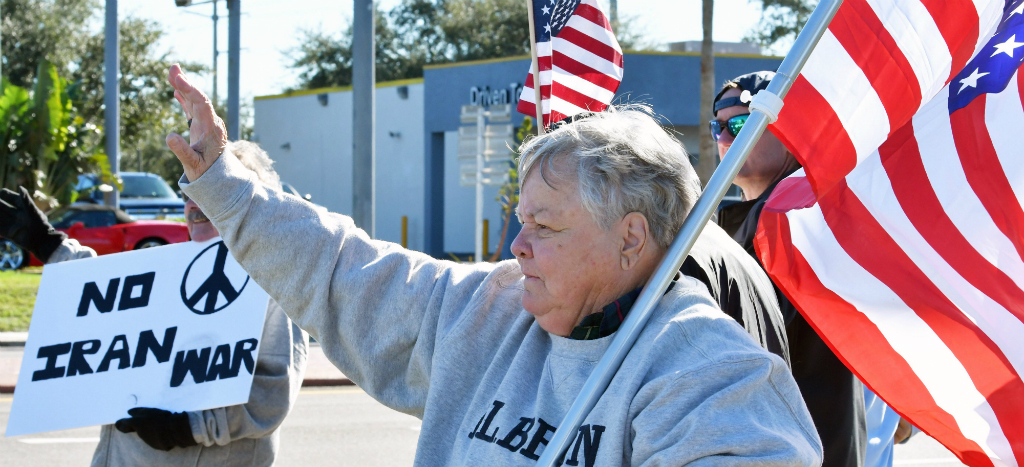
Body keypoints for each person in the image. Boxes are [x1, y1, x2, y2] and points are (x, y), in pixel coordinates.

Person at [167, 64, 822, 465]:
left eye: (545, 225)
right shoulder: (490, 308)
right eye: (520, 220)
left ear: (630, 237)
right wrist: (226, 188)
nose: (517, 244)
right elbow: (341, 268)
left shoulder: (714, 375)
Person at [0, 141, 309, 467]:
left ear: (252, 201)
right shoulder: (168, 271)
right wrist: (47, 244)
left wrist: (186, 429)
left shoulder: (271, 281)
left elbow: (270, 395)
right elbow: (103, 295)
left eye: (213, 189)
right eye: (189, 194)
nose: (194, 204)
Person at [712, 71, 865, 467]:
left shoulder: (799, 215)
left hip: (806, 439)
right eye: (718, 125)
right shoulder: (740, 222)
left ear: (787, 130)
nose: (725, 137)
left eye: (742, 122)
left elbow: (743, 339)